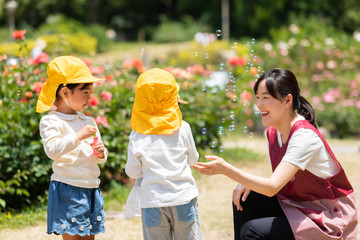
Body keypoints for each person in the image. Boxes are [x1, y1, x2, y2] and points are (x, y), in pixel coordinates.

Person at [193, 68, 358, 240]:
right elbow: (281, 180)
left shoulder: (304, 137)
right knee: (245, 198)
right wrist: (246, 183)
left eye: (266, 98)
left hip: (329, 216)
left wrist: (226, 170)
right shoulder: (272, 133)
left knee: (252, 231)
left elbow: (272, 187)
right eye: (257, 97)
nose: (259, 104)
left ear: (287, 100)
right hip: (299, 205)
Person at [36, 56, 108, 240]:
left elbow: (99, 155)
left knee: (89, 237)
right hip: (68, 186)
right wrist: (78, 136)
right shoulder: (50, 121)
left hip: (91, 186)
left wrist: (101, 153)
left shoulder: (87, 121)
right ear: (65, 92)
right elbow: (52, 150)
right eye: (84, 92)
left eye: (90, 92)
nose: (89, 97)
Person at [125, 68, 201, 240]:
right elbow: (193, 160)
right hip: (183, 198)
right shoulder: (183, 128)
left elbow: (132, 172)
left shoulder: (137, 134)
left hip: (153, 202)